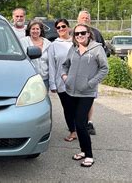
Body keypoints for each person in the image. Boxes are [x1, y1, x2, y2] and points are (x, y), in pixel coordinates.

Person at [61, 23, 108, 168]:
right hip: (71, 91)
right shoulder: (73, 49)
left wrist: (90, 83)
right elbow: (65, 65)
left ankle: (89, 155)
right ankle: (83, 150)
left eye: (82, 33)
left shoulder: (96, 49)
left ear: (88, 34)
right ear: (74, 36)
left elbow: (104, 69)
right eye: (77, 34)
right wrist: (65, 77)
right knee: (76, 123)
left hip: (86, 93)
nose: (80, 36)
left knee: (81, 123)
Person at [77, 10, 108, 135]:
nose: (85, 19)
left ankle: (89, 123)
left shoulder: (96, 33)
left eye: (87, 18)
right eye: (82, 18)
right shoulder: (74, 33)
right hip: (76, 73)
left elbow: (103, 52)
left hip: (91, 74)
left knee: (89, 99)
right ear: (78, 19)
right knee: (76, 100)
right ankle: (77, 123)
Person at [48, 19, 76, 142]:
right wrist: (52, 83)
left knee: (79, 108)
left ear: (69, 27)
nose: (61, 29)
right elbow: (51, 65)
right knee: (68, 108)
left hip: (78, 81)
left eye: (63, 26)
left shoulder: (76, 42)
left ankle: (81, 129)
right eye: (58, 27)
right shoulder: (53, 45)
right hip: (62, 82)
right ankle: (73, 131)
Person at [19, 20, 51, 88]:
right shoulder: (23, 42)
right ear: (29, 30)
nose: (35, 31)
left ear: (40, 30)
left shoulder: (48, 43)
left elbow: (51, 62)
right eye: (33, 29)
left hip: (45, 79)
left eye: (37, 29)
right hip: (29, 78)